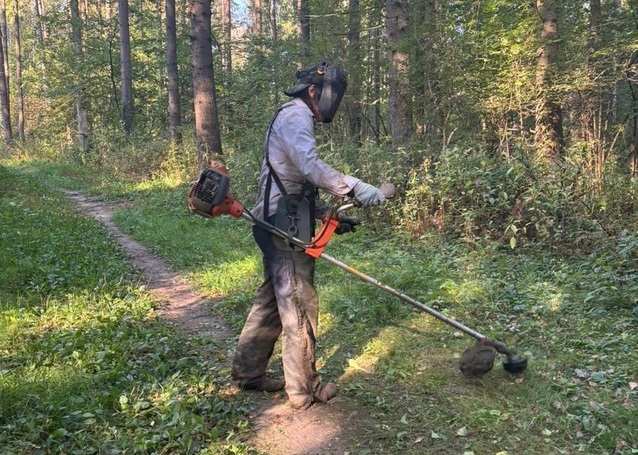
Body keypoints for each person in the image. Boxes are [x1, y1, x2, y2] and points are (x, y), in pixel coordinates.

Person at [230, 62, 386, 410]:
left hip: (280, 218)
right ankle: (304, 389)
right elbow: (310, 167)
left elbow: (293, 183)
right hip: (281, 226)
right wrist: (354, 187)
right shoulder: (296, 115)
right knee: (299, 301)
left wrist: (328, 216)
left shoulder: (292, 117)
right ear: (314, 91)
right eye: (332, 95)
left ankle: (247, 372)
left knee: (272, 300)